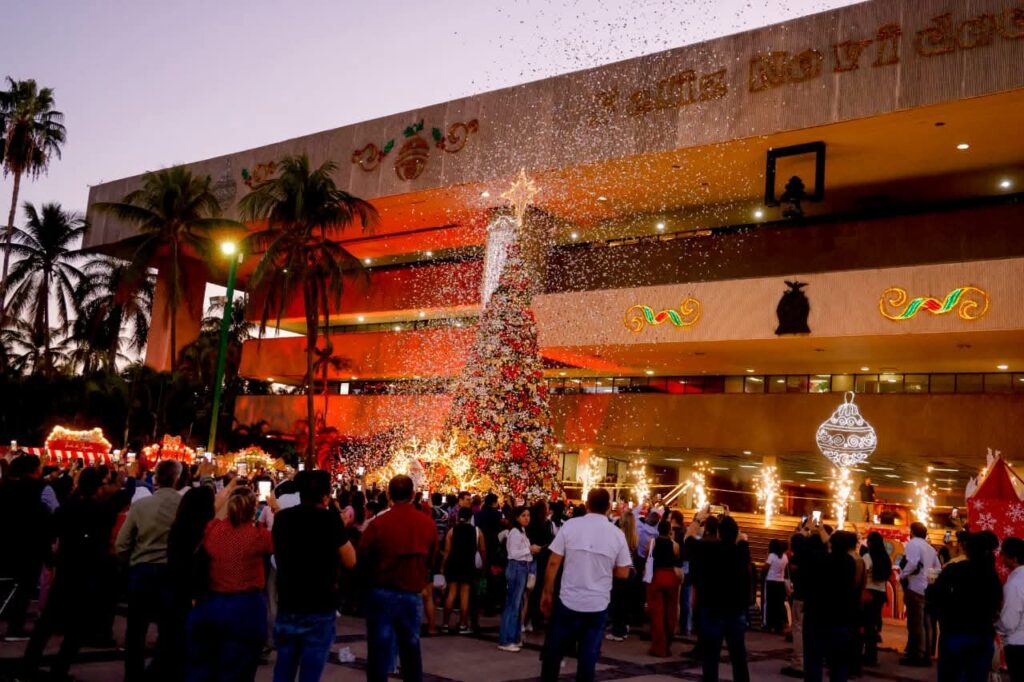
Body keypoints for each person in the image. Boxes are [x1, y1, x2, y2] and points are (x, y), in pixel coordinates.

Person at [21, 468, 113, 680]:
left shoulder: (68, 507)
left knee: (48, 622)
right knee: (76, 628)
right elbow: (101, 546)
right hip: (85, 572)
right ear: (97, 487)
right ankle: (59, 669)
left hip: (66, 568)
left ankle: (29, 664)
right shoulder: (99, 511)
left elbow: (48, 531)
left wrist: (50, 557)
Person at [539, 487, 632, 682]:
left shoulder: (571, 526)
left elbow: (554, 562)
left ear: (587, 504)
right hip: (597, 603)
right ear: (608, 507)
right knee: (588, 657)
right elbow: (623, 572)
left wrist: (547, 592)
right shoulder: (616, 534)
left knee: (554, 652)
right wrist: (604, 568)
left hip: (568, 599)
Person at [272, 470, 356, 682]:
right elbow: (350, 560)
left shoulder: (282, 519)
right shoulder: (330, 520)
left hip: (289, 602)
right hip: (320, 606)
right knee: (311, 673)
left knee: (283, 669)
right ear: (325, 497)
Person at [187, 486, 274, 682]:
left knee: (205, 665)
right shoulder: (258, 536)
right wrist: (275, 509)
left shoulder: (213, 529)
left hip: (212, 603)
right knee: (239, 668)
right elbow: (280, 539)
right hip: (246, 608)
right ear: (253, 509)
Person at [358, 474, 439, 682]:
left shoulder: (379, 524)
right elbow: (432, 559)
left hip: (381, 592)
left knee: (378, 652)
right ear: (413, 495)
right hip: (411, 592)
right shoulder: (427, 524)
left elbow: (363, 557)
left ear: (389, 495)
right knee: (411, 650)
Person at [116, 459, 184, 682]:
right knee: (169, 629)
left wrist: (130, 562)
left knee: (136, 629)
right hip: (170, 572)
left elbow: (121, 543)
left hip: (141, 570)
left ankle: (133, 675)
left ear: (156, 478)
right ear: (177, 478)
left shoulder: (141, 505)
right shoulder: (183, 505)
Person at [931, 530, 1002, 682]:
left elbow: (934, 597)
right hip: (981, 635)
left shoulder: (953, 570)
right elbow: (996, 605)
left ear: (967, 549)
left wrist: (943, 617)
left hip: (954, 633)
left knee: (951, 676)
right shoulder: (991, 575)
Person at [689, 512, 750, 682]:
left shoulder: (708, 549)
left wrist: (697, 520)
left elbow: (688, 538)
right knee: (738, 657)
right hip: (735, 611)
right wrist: (736, 532)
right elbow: (742, 538)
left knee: (710, 658)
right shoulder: (741, 552)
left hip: (712, 610)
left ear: (718, 533)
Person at [0, 454, 53, 642]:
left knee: (12, 584)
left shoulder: (5, 487)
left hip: (8, 542)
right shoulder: (36, 488)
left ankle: (10, 619)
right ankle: (15, 627)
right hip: (29, 545)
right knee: (24, 587)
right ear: (35, 470)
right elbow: (42, 517)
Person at [803, 529, 863, 682]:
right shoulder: (850, 563)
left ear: (831, 544)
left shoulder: (821, 560)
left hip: (818, 616)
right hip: (841, 617)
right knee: (839, 664)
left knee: (814, 661)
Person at [900, 521, 941, 667]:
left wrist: (902, 575)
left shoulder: (913, 544)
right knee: (926, 622)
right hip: (926, 589)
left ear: (912, 532)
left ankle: (917, 654)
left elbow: (912, 563)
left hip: (914, 587)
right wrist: (929, 582)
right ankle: (926, 653)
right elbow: (937, 568)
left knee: (915, 623)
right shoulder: (930, 548)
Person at [498, 506, 539, 652]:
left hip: (522, 567)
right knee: (512, 605)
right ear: (516, 517)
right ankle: (506, 640)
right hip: (516, 567)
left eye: (528, 515)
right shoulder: (515, 532)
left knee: (517, 604)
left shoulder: (521, 531)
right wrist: (530, 549)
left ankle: (514, 637)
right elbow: (513, 553)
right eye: (523, 515)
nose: (527, 518)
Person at [441, 506, 484, 633]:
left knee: (451, 594)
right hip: (468, 564)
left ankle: (445, 624)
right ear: (471, 517)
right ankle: (463, 624)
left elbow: (447, 551)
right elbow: (483, 550)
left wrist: (442, 566)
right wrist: (483, 564)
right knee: (465, 595)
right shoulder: (477, 531)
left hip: (453, 564)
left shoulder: (452, 531)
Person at [646, 520, 681, 657]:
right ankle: (667, 643)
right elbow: (677, 560)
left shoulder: (652, 543)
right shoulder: (675, 545)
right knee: (670, 612)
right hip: (671, 576)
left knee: (657, 613)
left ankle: (658, 646)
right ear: (669, 530)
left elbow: (647, 556)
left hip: (657, 577)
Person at [861, 531, 892, 666]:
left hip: (869, 592)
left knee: (866, 624)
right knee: (873, 624)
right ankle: (872, 654)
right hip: (880, 593)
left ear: (870, 543)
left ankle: (868, 655)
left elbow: (862, 573)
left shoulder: (868, 557)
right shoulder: (885, 558)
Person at [607, 510, 638, 641]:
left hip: (621, 569)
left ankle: (618, 631)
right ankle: (624, 627)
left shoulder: (619, 535)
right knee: (625, 601)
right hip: (631, 570)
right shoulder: (634, 535)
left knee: (617, 601)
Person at [780, 532, 807, 678]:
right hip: (809, 598)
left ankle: (798, 662)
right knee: (804, 630)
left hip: (800, 596)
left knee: (798, 630)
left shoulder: (796, 559)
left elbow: (794, 577)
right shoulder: (810, 557)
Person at [999, 536, 1024, 681]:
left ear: (1013, 558)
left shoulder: (1014, 584)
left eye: (1003, 554)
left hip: (1018, 645)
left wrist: (996, 623)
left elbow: (1009, 623)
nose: (1001, 558)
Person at [763, 538, 789, 634]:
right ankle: (779, 625)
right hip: (780, 582)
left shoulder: (772, 556)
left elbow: (766, 567)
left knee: (770, 604)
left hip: (771, 581)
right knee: (779, 604)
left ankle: (769, 625)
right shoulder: (784, 556)